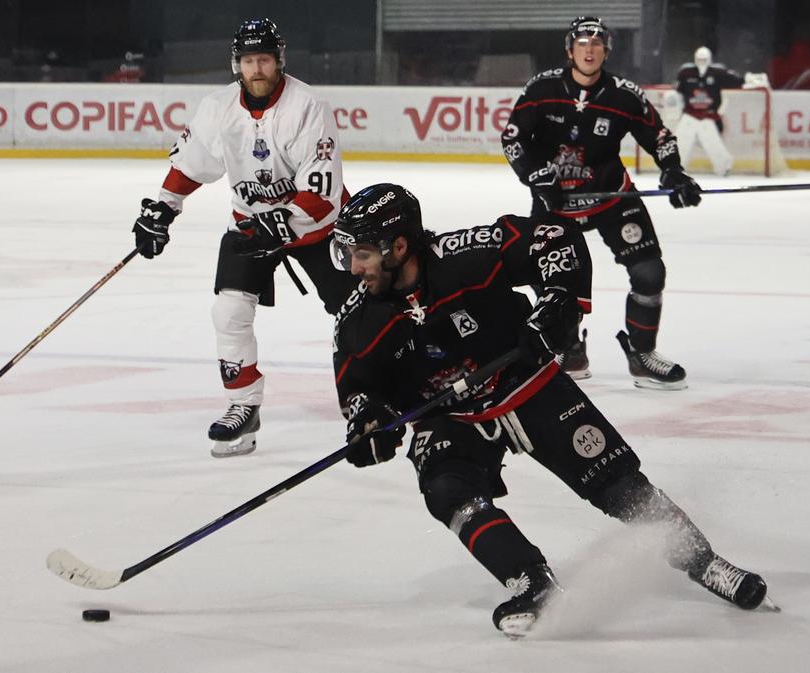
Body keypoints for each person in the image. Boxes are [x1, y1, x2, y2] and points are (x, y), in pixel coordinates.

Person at [330, 183, 771, 638]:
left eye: (362, 254)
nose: (353, 268)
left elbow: (555, 239)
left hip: (526, 384)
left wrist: (558, 300)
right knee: (447, 490)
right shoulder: (358, 318)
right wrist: (369, 422)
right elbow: (357, 385)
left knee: (617, 485)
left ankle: (704, 561)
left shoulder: (465, 255)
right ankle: (532, 583)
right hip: (454, 418)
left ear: (400, 246)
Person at [132, 18, 356, 457]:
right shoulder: (217, 108)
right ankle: (243, 405)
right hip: (251, 225)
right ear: (237, 64)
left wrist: (284, 222)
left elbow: (323, 192)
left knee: (357, 311)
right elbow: (192, 163)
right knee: (229, 311)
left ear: (279, 61)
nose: (257, 69)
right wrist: (163, 208)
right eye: (249, 60)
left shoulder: (308, 106)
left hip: (319, 229)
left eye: (265, 60)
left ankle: (373, 392)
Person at [500, 16, 703, 390]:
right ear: (570, 50)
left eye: (596, 44)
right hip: (556, 203)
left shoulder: (624, 94)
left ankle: (642, 354)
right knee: (548, 280)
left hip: (612, 197)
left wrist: (673, 171)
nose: (589, 50)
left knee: (649, 273)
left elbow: (659, 136)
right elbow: (513, 139)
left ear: (606, 51)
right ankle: (569, 349)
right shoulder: (542, 89)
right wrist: (536, 176)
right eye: (582, 43)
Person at [674, 46, 745, 177]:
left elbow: (737, 81)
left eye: (704, 60)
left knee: (712, 143)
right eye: (699, 60)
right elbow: (677, 93)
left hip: (708, 115)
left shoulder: (718, 72)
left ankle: (724, 166)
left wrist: (749, 80)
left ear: (710, 60)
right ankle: (676, 167)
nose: (701, 62)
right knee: (680, 141)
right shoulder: (686, 73)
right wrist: (676, 110)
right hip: (689, 114)